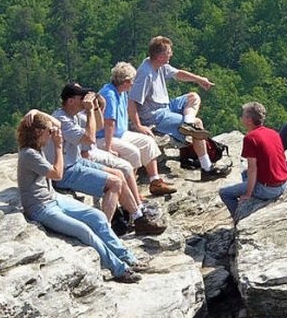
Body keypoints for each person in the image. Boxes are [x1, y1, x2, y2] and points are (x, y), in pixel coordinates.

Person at [16, 109, 144, 284]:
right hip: (40, 207)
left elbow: (57, 124)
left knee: (97, 216)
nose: (53, 134)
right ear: (38, 132)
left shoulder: (36, 147)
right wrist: (59, 147)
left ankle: (128, 257)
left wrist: (35, 112)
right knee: (84, 231)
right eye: (49, 132)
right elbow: (57, 174)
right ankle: (119, 270)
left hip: (53, 197)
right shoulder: (29, 154)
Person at [49, 83, 166, 236]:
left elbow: (98, 126)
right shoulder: (62, 119)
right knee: (114, 183)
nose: (84, 100)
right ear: (70, 101)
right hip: (66, 170)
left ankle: (138, 218)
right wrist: (90, 111)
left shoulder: (74, 116)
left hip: (76, 162)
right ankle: (105, 229)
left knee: (119, 173)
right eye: (81, 97)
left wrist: (96, 108)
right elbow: (89, 139)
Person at [128, 35, 229, 182]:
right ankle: (207, 168)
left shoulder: (158, 65)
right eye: (169, 52)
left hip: (166, 106)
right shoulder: (145, 74)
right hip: (154, 115)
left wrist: (199, 79)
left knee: (193, 97)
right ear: (161, 56)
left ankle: (187, 123)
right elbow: (132, 101)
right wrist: (138, 125)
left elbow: (178, 74)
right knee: (198, 124)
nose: (171, 54)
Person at [94, 61, 175, 197]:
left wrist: (139, 126)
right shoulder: (109, 94)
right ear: (125, 81)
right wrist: (108, 149)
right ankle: (130, 191)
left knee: (148, 142)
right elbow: (109, 123)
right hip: (104, 138)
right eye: (132, 81)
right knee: (133, 152)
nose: (133, 84)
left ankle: (155, 182)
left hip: (119, 134)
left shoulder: (121, 92)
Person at [219, 102, 287, 219]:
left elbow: (252, 168)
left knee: (224, 193)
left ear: (249, 120)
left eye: (243, 115)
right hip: (284, 183)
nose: (241, 118)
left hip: (269, 189)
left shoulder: (250, 138)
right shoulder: (273, 133)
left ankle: (239, 217)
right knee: (244, 173)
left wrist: (248, 193)